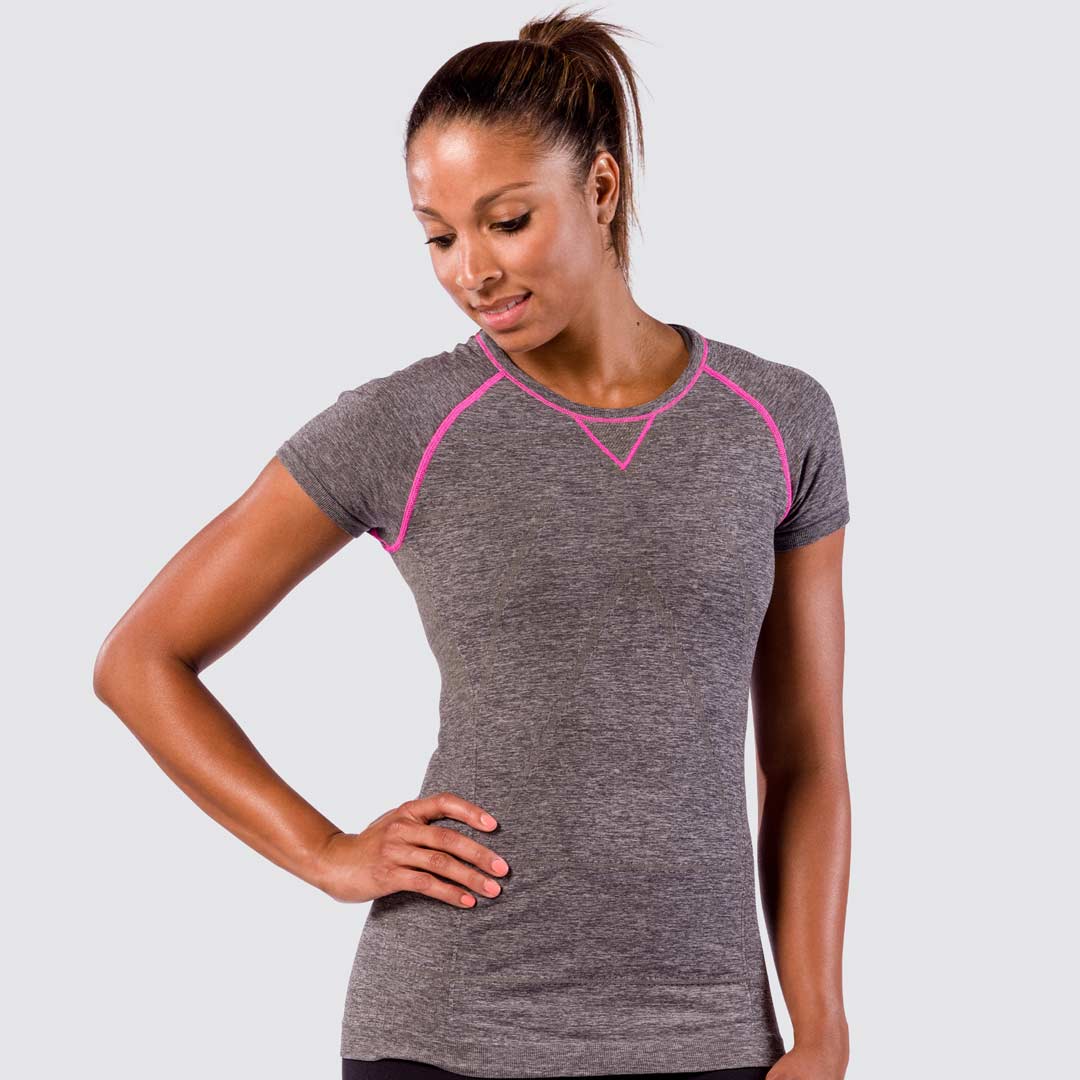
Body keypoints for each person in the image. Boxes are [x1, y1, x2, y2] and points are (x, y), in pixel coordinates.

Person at [93, 6, 852, 1080]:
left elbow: (805, 759)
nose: (471, 271)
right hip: (451, 1029)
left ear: (600, 187)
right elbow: (139, 660)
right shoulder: (401, 426)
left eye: (506, 221)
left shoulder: (776, 419)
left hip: (711, 1030)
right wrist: (326, 852)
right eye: (440, 236)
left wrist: (821, 1028)